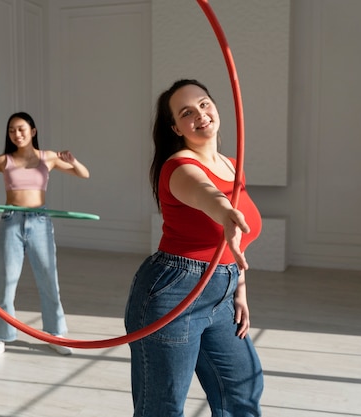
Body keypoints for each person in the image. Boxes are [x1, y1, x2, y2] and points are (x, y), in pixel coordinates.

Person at [124, 79, 264, 416]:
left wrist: (239, 289)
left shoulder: (232, 165)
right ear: (176, 127)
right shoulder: (179, 167)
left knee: (242, 391)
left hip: (222, 292)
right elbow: (205, 194)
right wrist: (225, 211)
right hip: (173, 292)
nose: (200, 114)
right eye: (187, 112)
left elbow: (235, 242)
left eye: (204, 104)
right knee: (163, 406)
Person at [0, 111, 90, 364]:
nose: (16, 134)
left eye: (21, 129)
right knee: (5, 282)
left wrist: (73, 161)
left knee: (48, 280)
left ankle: (56, 335)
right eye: (11, 130)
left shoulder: (48, 157)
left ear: (33, 131)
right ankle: (0, 338)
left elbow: (84, 174)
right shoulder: (4, 160)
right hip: (11, 221)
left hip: (40, 222)